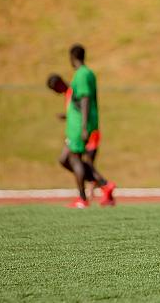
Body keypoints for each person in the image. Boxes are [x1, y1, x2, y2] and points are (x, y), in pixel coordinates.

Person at [47, 44, 116, 208]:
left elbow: (85, 99)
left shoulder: (82, 75)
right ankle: (104, 185)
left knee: (74, 159)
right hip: (76, 125)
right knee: (66, 159)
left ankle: (84, 198)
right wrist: (68, 116)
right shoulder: (85, 74)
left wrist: (84, 126)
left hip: (79, 127)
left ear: (72, 57)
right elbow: (79, 103)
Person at [46, 73, 102, 200]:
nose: (56, 92)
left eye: (55, 89)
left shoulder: (74, 91)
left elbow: (84, 109)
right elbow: (77, 112)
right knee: (70, 161)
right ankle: (97, 185)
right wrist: (67, 117)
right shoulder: (68, 94)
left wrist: (84, 129)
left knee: (76, 161)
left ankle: (95, 188)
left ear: (59, 84)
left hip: (83, 132)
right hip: (77, 132)